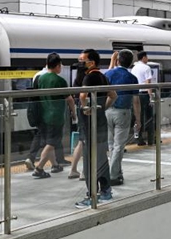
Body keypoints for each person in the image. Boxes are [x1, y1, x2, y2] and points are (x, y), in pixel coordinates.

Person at [74, 49, 117, 209]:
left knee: (88, 161)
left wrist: (86, 109)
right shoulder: (102, 76)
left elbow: (83, 96)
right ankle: (106, 191)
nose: (79, 63)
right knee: (100, 158)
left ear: (91, 62)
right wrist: (101, 108)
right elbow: (113, 95)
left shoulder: (89, 76)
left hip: (88, 124)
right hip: (100, 122)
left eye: (82, 60)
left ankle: (91, 195)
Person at [32, 53, 76, 179]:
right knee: (52, 142)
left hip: (44, 114)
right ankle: (39, 168)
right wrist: (73, 112)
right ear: (57, 66)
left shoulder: (41, 78)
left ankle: (55, 165)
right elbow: (70, 99)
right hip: (55, 116)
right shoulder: (59, 80)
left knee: (48, 141)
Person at [104, 50, 140, 186]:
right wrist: (138, 119)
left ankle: (117, 172)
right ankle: (113, 175)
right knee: (119, 145)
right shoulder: (132, 78)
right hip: (123, 113)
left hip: (107, 111)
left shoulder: (108, 74)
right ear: (130, 63)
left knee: (111, 145)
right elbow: (136, 101)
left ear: (118, 61)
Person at [131, 51, 155, 145]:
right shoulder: (146, 67)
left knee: (138, 117)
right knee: (149, 117)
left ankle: (139, 139)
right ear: (144, 57)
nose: (147, 58)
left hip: (136, 94)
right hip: (145, 94)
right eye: (147, 57)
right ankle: (150, 139)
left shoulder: (134, 68)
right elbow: (148, 83)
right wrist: (151, 96)